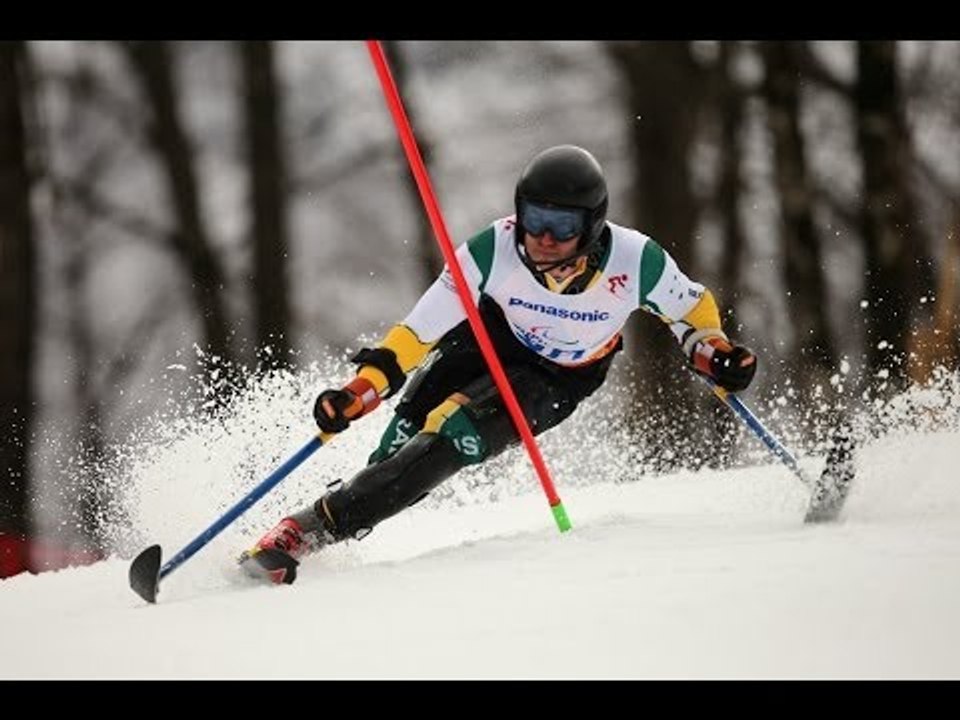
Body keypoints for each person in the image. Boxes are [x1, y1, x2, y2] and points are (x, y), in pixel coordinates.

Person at [239, 144, 757, 584]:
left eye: (562, 224)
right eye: (534, 218)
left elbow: (690, 311)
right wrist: (362, 389)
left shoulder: (636, 260)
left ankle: (299, 533)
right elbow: (419, 331)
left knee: (446, 440)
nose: (544, 237)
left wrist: (714, 353)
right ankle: (311, 534)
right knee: (398, 449)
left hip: (560, 376)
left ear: (593, 225)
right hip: (488, 339)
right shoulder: (493, 249)